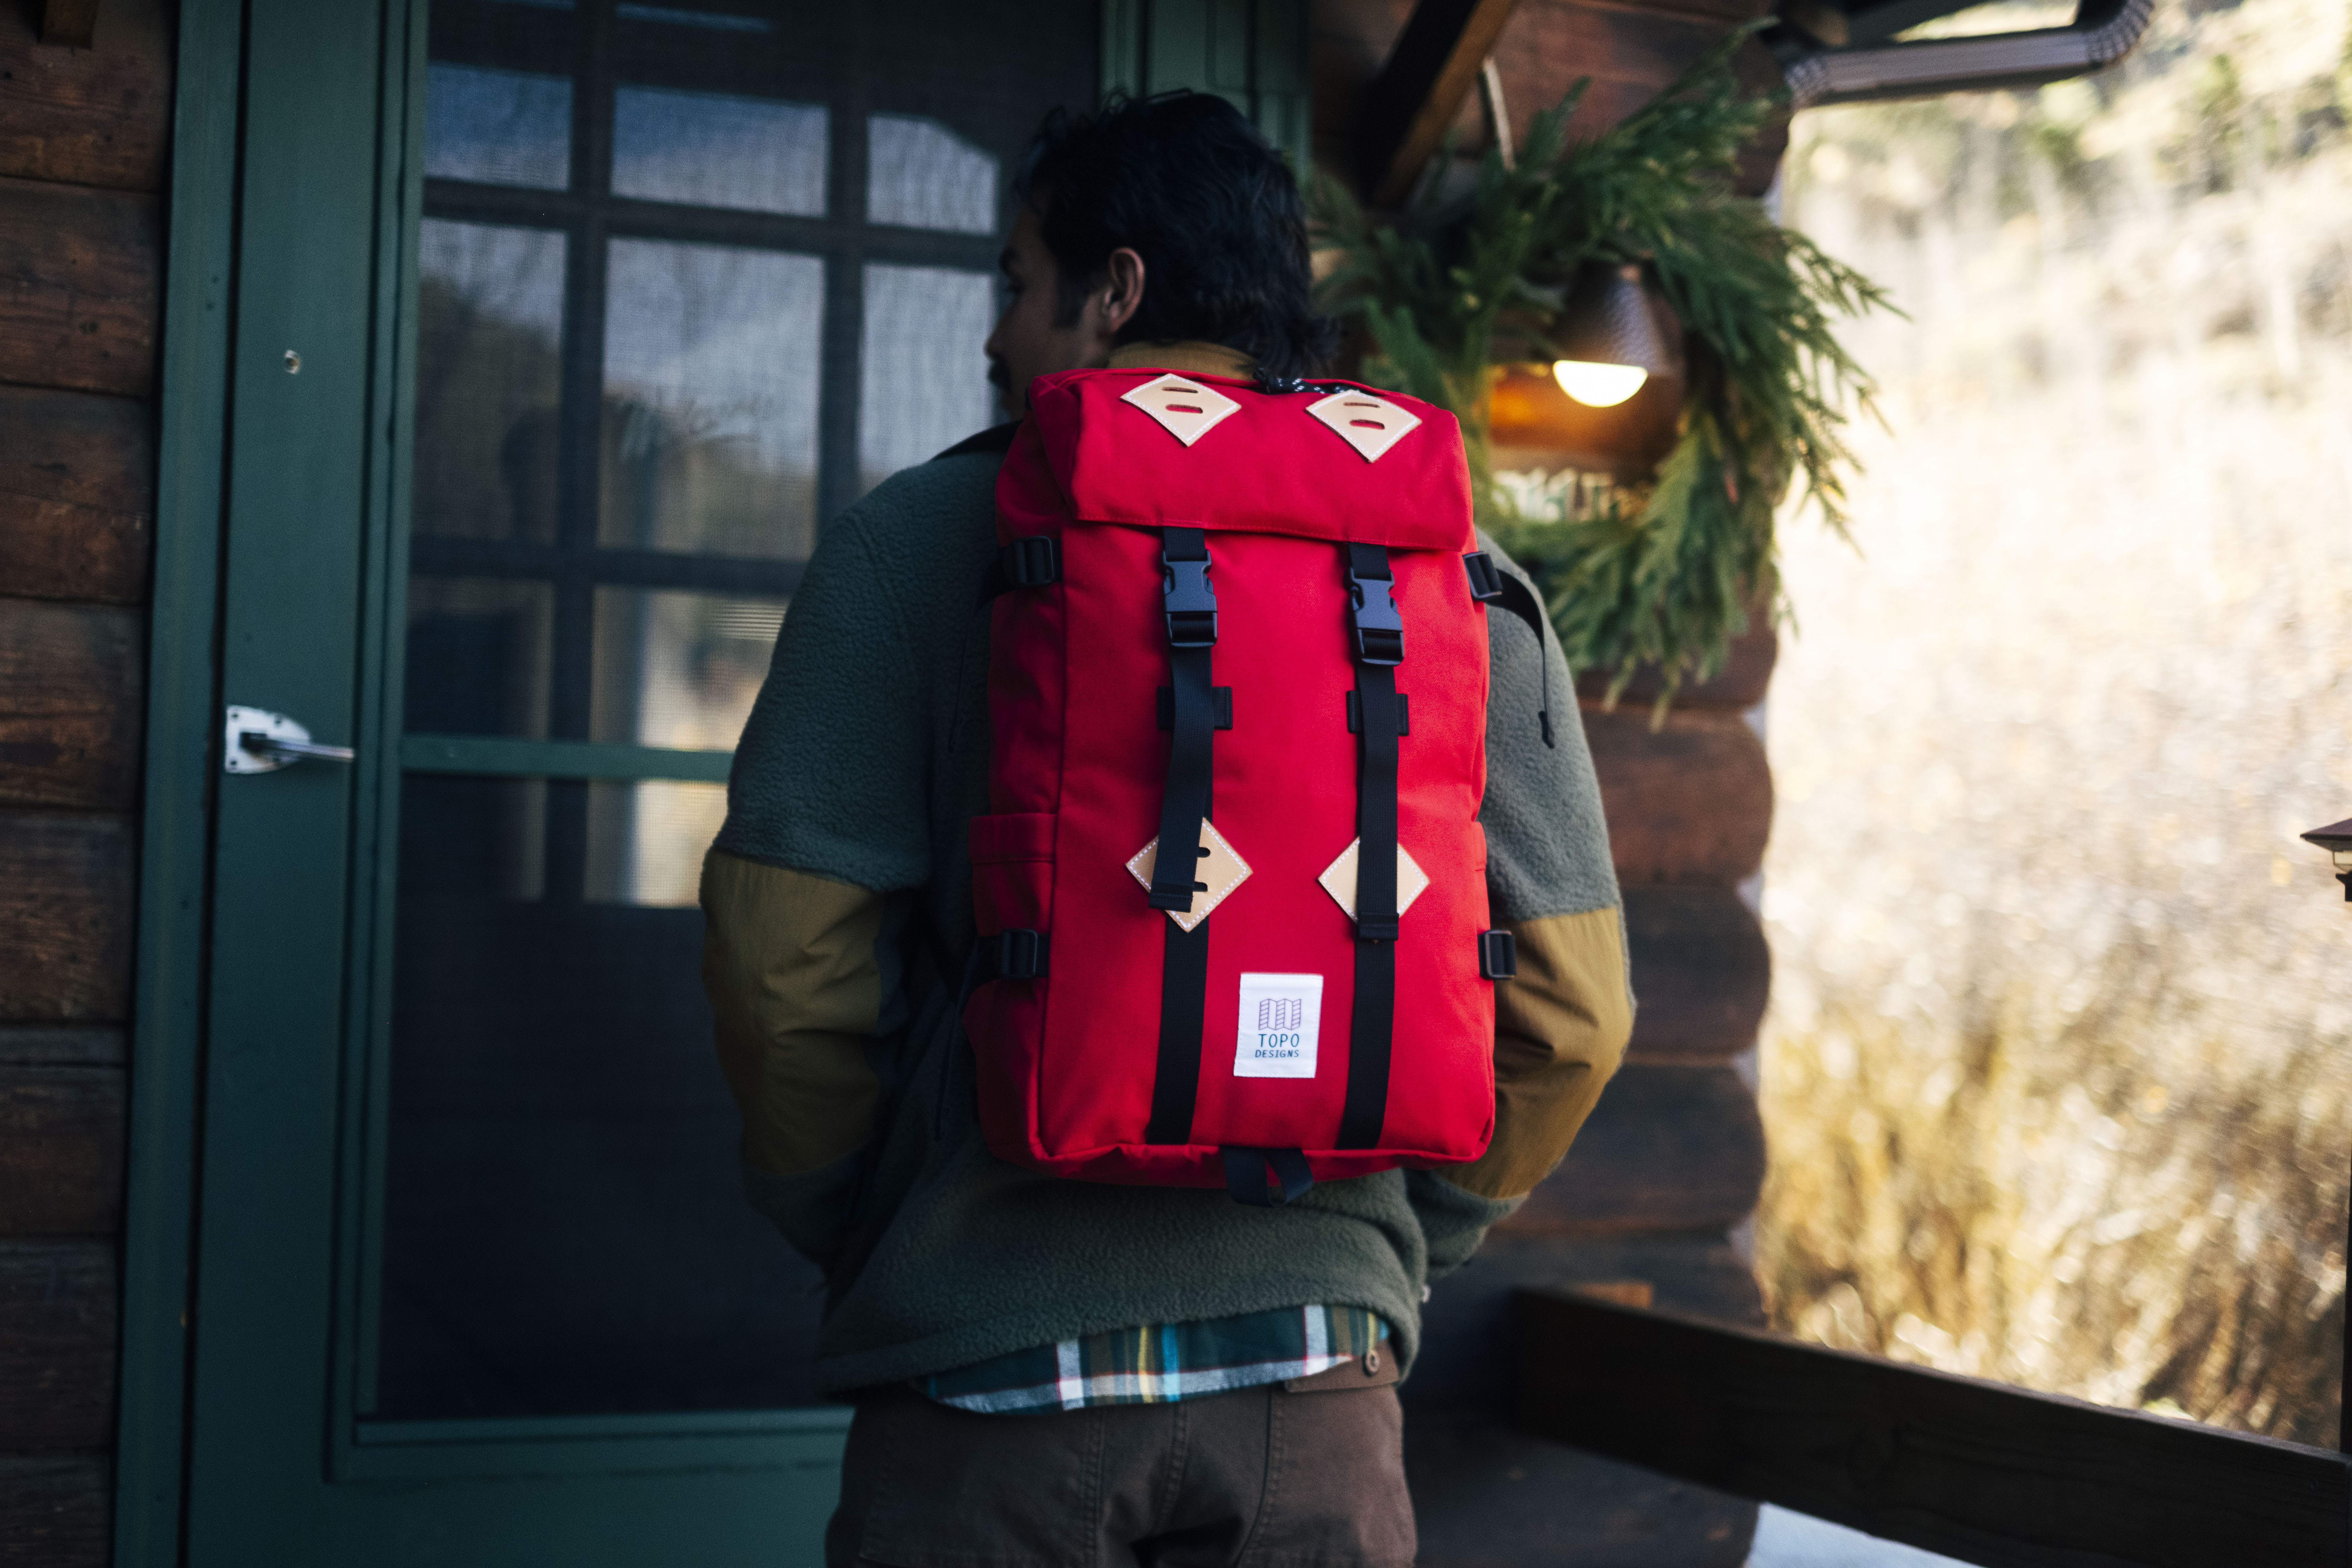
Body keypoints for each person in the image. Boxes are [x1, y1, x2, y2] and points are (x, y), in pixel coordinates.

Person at [701, 90, 1633, 1568]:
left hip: (987, 1385)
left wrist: (870, 1219)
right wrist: (1393, 1237)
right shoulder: (1449, 570)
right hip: (1320, 1393)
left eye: (1015, 282)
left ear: (1114, 288)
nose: (995, 336)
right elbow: (1575, 1012)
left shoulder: (909, 543)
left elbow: (779, 961)